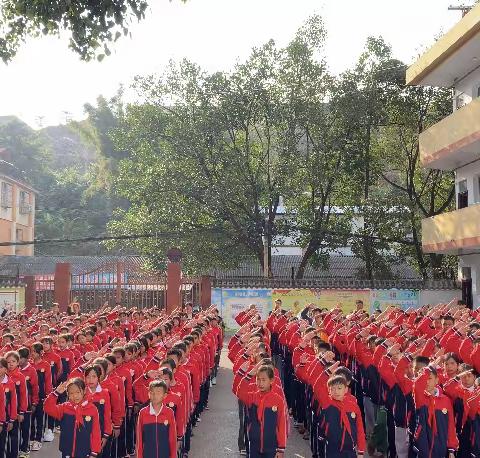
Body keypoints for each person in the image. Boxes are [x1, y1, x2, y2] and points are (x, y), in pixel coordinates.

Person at [235, 364, 287, 458]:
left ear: (271, 381)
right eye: (258, 379)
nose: (260, 383)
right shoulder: (252, 397)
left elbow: (282, 424)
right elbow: (239, 392)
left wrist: (281, 448)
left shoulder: (278, 400)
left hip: (272, 447)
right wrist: (248, 375)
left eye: (263, 380)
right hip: (254, 446)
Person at [44, 378, 101, 458]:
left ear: (84, 391)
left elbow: (96, 432)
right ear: (68, 394)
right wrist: (56, 393)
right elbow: (47, 408)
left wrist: (94, 452)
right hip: (67, 451)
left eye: (78, 392)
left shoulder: (92, 409)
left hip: (85, 452)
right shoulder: (64, 408)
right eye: (71, 393)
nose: (75, 396)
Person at [136, 380, 177, 458]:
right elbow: (139, 439)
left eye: (158, 393)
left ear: (164, 395)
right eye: (152, 393)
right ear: (148, 394)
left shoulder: (169, 413)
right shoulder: (143, 413)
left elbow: (172, 439)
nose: (154, 396)